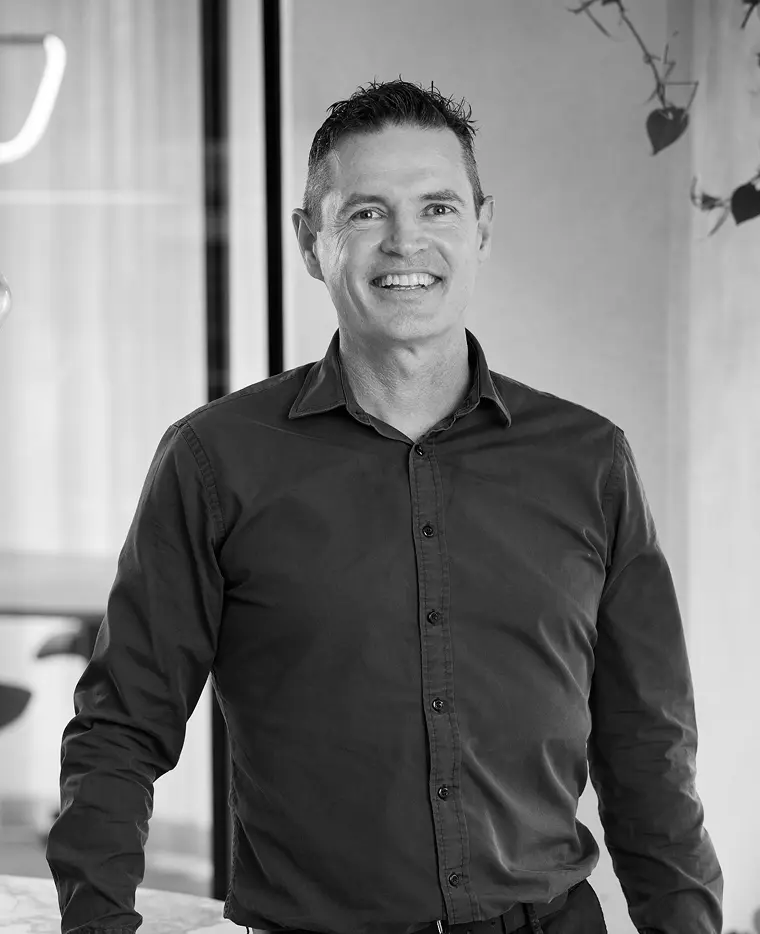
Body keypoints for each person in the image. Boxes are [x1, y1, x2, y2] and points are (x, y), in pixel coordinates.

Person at [46, 78, 723, 934]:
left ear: (481, 228)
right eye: (366, 212)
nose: (407, 241)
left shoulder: (589, 461)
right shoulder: (215, 461)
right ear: (310, 241)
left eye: (438, 207)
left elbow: (649, 750)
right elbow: (119, 730)